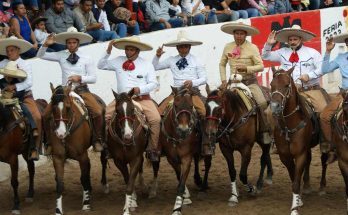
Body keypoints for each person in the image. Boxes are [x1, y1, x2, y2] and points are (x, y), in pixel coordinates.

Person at [262, 25, 331, 150]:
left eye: (295, 39)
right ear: (287, 41)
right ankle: (275, 140)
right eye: (290, 39)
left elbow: (322, 69)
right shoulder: (282, 52)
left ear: (301, 39)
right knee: (269, 112)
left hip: (310, 90)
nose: (292, 42)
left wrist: (309, 76)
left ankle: (325, 142)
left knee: (322, 110)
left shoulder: (313, 53)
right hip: (288, 92)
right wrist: (268, 44)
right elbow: (265, 57)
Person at [36, 28, 105, 153]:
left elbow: (93, 78)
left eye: (74, 42)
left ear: (78, 43)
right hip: (64, 92)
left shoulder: (87, 57)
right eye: (69, 43)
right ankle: (49, 143)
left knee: (98, 112)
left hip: (82, 90)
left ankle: (97, 139)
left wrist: (80, 78)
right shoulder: (61, 54)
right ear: (66, 44)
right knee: (45, 114)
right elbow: (40, 55)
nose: (71, 45)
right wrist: (45, 44)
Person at [97, 36, 161, 162]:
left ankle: (152, 149)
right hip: (122, 99)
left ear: (138, 51)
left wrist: (140, 89)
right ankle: (108, 147)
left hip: (142, 98)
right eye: (127, 49)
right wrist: (108, 51)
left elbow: (154, 84)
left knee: (156, 119)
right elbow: (101, 65)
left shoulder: (147, 64)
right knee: (104, 116)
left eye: (132, 50)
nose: (129, 52)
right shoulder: (117, 60)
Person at [220, 22, 272, 144]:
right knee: (217, 103)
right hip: (232, 82)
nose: (238, 36)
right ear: (233, 34)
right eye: (236, 33)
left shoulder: (252, 47)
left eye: (241, 34)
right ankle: (218, 132)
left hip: (250, 82)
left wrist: (247, 69)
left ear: (246, 35)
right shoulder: (228, 47)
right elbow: (222, 64)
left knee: (262, 102)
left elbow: (261, 66)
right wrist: (223, 80)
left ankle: (265, 132)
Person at [0, 37, 42, 160]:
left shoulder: (25, 63)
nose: (9, 53)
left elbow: (29, 82)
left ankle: (35, 147)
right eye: (7, 51)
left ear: (18, 50)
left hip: (25, 96)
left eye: (11, 50)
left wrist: (14, 86)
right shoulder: (3, 63)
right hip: (6, 97)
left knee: (37, 116)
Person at [153, 30, 207, 119]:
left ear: (189, 47)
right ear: (177, 48)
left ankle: (203, 132)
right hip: (176, 92)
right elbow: (155, 67)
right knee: (159, 113)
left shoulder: (196, 60)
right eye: (181, 46)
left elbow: (204, 79)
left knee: (204, 113)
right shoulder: (171, 60)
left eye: (186, 46)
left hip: (192, 92)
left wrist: (192, 82)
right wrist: (157, 56)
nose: (183, 48)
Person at [320, 32, 348, 163]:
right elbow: (325, 69)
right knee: (324, 116)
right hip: (344, 93)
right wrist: (327, 51)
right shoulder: (341, 57)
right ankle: (333, 148)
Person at [0, 61, 38, 140]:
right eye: (7, 75)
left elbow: (21, 93)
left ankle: (34, 127)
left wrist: (13, 95)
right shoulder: (1, 81)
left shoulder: (18, 82)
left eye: (11, 75)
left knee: (25, 110)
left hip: (16, 102)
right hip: (3, 101)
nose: (8, 77)